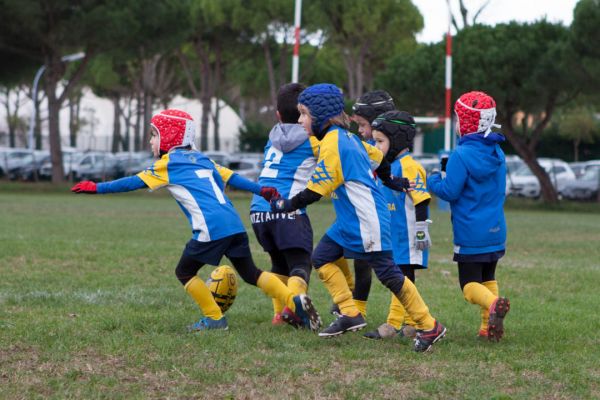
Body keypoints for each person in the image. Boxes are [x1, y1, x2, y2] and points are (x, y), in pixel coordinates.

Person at [71, 109, 322, 333]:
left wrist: (97, 187)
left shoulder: (167, 164)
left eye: (154, 134)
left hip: (210, 227)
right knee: (251, 273)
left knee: (184, 271)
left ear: (169, 137)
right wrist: (261, 190)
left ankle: (214, 319)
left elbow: (131, 182)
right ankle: (293, 299)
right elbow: (233, 178)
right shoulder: (203, 158)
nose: (150, 141)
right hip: (234, 223)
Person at [271, 83, 446, 352]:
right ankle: (350, 313)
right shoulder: (347, 138)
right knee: (321, 258)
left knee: (390, 274)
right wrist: (393, 181)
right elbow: (379, 158)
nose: (301, 120)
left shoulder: (334, 144)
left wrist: (287, 204)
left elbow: (315, 191)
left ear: (319, 115)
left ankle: (428, 325)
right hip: (347, 222)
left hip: (367, 221)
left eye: (304, 114)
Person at [428, 91, 510, 341]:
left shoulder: (460, 155)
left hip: (470, 232)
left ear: (465, 122)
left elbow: (449, 192)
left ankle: (494, 304)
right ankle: (487, 327)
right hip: (496, 229)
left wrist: (433, 178)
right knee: (488, 277)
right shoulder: (498, 153)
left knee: (469, 286)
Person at [325, 90, 397, 319]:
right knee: (352, 258)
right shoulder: (360, 145)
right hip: (359, 211)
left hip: (384, 214)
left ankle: (403, 319)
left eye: (363, 124)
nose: (360, 130)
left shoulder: (388, 150)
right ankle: (354, 307)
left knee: (391, 269)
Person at [361, 110, 432, 340]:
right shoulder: (387, 168)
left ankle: (393, 325)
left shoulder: (409, 166)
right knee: (402, 279)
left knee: (401, 279)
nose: (376, 145)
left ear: (398, 140)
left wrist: (421, 231)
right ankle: (411, 324)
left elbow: (422, 199)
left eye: (380, 141)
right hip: (393, 235)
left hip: (408, 235)